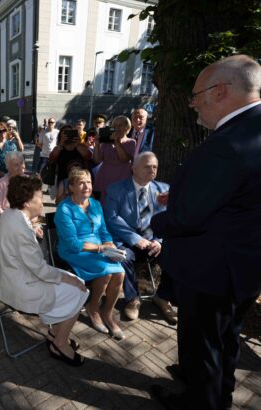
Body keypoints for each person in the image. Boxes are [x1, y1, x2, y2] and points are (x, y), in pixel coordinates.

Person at [150, 55, 261, 410]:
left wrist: (157, 219)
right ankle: (219, 394)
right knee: (226, 340)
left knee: (204, 349)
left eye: (196, 94)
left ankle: (202, 402)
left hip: (210, 271)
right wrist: (186, 194)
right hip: (244, 266)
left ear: (221, 91)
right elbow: (240, 196)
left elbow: (185, 219)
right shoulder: (250, 132)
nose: (192, 103)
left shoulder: (226, 145)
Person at [0, 175, 89, 366]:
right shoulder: (20, 225)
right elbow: (40, 270)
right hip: (22, 285)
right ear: (28, 202)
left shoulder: (11, 214)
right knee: (80, 290)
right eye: (39, 196)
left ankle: (55, 333)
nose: (43, 200)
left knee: (76, 283)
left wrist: (33, 223)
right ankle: (59, 343)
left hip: (11, 278)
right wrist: (69, 280)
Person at [104, 152, 177, 324]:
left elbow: (170, 219)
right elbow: (112, 218)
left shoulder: (163, 189)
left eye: (155, 167)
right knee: (123, 256)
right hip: (128, 241)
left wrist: (159, 242)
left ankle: (162, 297)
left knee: (176, 254)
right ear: (134, 168)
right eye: (147, 166)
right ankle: (133, 299)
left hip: (154, 241)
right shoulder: (116, 189)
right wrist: (135, 239)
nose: (152, 170)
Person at [55, 169, 125, 340]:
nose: (87, 186)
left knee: (120, 273)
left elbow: (103, 230)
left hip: (98, 248)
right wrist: (100, 249)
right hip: (75, 251)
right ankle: (93, 308)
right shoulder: (64, 209)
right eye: (81, 182)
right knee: (106, 272)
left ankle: (107, 313)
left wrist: (110, 245)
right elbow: (72, 243)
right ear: (71, 187)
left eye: (89, 182)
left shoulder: (95, 204)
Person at [92, 115, 136, 203]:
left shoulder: (131, 142)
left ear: (127, 128)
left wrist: (116, 142)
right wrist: (97, 144)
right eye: (114, 126)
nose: (117, 128)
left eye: (120, 125)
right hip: (104, 178)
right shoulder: (105, 143)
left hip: (122, 178)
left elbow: (124, 159)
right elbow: (97, 160)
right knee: (102, 206)